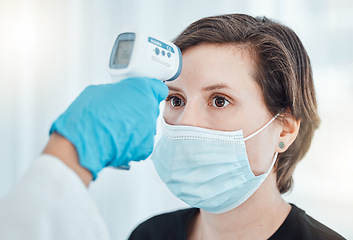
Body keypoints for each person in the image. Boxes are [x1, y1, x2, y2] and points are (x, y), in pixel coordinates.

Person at [127, 14, 346, 240]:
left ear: (285, 130)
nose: (185, 122)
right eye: (176, 100)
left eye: (219, 100)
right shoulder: (149, 235)